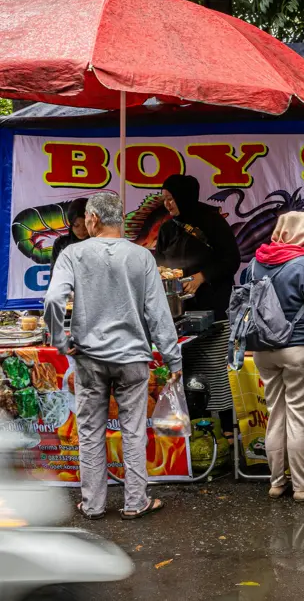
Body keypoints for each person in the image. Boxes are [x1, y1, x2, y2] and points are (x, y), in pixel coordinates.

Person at [43, 191, 181, 520]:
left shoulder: (72, 255)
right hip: (133, 357)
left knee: (90, 431)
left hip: (89, 358)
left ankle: (93, 504)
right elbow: (159, 315)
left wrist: (62, 342)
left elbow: (51, 302)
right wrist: (174, 359)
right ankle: (135, 502)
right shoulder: (141, 257)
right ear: (118, 218)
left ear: (92, 219)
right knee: (133, 430)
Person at [248, 212, 304, 502]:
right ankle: (303, 486)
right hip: (298, 349)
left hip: (262, 350)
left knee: (276, 415)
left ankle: (276, 482)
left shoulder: (255, 264)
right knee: (299, 418)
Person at [155, 174, 241, 443]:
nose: (167, 204)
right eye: (165, 199)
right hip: (178, 313)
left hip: (213, 308)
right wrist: (161, 271)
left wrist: (202, 276)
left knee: (216, 370)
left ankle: (228, 430)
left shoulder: (211, 220)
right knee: (186, 372)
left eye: (171, 198)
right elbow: (159, 259)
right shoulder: (168, 228)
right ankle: (192, 431)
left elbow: (232, 259)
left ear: (185, 197)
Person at [50, 197, 89, 267]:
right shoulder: (61, 243)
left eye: (86, 226)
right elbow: (54, 273)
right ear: (71, 224)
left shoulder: (99, 243)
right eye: (76, 225)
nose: (81, 230)